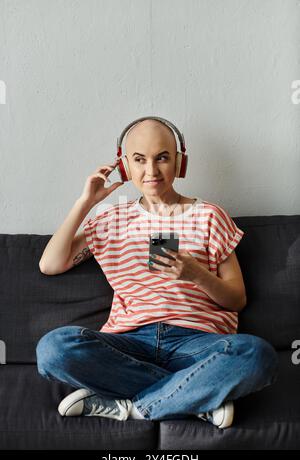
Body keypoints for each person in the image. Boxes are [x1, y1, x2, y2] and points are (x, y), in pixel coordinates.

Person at [36, 118, 279, 428]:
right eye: (139, 160)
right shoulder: (112, 219)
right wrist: (86, 202)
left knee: (257, 355)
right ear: (124, 166)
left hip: (197, 345)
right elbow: (50, 264)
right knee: (54, 349)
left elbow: (237, 300)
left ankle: (134, 406)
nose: (151, 171)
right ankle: (193, 396)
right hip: (128, 344)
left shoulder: (210, 216)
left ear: (179, 161)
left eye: (162, 157)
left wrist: (197, 275)